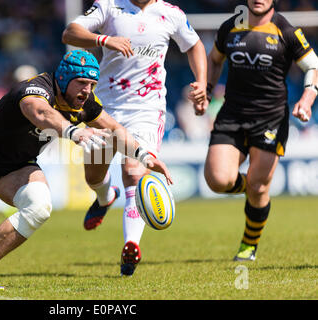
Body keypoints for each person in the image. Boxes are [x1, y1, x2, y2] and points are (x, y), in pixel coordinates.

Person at [0, 50, 172, 292]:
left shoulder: (85, 103)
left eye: (92, 84)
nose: (87, 91)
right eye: (81, 83)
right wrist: (73, 133)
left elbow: (115, 129)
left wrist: (144, 155)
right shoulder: (35, 89)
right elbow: (40, 113)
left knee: (39, 206)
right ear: (63, 78)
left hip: (16, 166)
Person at [62, 0, 208, 275]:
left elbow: (195, 45)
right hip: (103, 109)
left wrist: (201, 81)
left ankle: (131, 246)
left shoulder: (171, 14)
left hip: (147, 110)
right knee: (93, 177)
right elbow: (69, 33)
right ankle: (105, 197)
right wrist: (104, 39)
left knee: (133, 172)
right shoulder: (108, 6)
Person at [203, 0, 317, 261]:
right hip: (232, 115)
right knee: (218, 180)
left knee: (259, 186)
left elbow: (314, 65)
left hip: (270, 119)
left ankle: (248, 244)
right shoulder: (230, 28)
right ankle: (253, 187)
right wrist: (207, 90)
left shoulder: (286, 31)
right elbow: (214, 59)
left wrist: (307, 99)